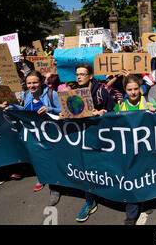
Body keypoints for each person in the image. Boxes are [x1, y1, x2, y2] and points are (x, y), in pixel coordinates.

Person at [63, 63, 114, 222]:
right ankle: (90, 202)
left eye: (82, 74)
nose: (78, 76)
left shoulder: (101, 91)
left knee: (105, 168)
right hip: (83, 138)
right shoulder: (73, 93)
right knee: (86, 169)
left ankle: (113, 195)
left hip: (102, 137)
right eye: (77, 74)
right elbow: (70, 114)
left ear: (90, 76)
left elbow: (115, 112)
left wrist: (103, 113)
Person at [4, 70, 61, 192]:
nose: (32, 86)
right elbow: (24, 110)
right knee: (37, 155)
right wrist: (11, 107)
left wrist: (49, 109)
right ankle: (41, 177)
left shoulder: (52, 94)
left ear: (41, 82)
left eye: (35, 82)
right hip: (33, 132)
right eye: (29, 83)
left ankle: (55, 187)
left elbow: (62, 110)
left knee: (49, 156)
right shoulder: (27, 94)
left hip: (50, 132)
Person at [113, 75, 156, 224]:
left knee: (145, 178)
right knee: (131, 180)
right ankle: (131, 215)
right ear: (125, 90)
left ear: (141, 89)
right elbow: (108, 119)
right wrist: (100, 114)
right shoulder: (120, 105)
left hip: (144, 151)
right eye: (129, 89)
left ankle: (145, 202)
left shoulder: (147, 103)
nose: (133, 92)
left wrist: (154, 110)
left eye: (135, 89)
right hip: (128, 152)